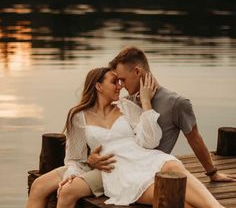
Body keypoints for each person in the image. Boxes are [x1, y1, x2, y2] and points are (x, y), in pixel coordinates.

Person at [0, 67, 235, 208]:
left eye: (120, 81)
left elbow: (150, 142)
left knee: (172, 171)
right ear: (98, 86)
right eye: (114, 81)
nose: (120, 86)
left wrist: (145, 104)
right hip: (106, 167)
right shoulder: (78, 116)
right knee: (41, 184)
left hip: (131, 162)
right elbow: (75, 158)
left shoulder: (126, 107)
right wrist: (76, 170)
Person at [87, 46, 236, 188]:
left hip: (154, 174)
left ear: (137, 72)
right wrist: (91, 160)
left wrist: (212, 173)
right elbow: (110, 138)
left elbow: (194, 138)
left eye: (123, 79)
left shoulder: (177, 103)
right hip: (124, 173)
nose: (121, 86)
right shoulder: (127, 103)